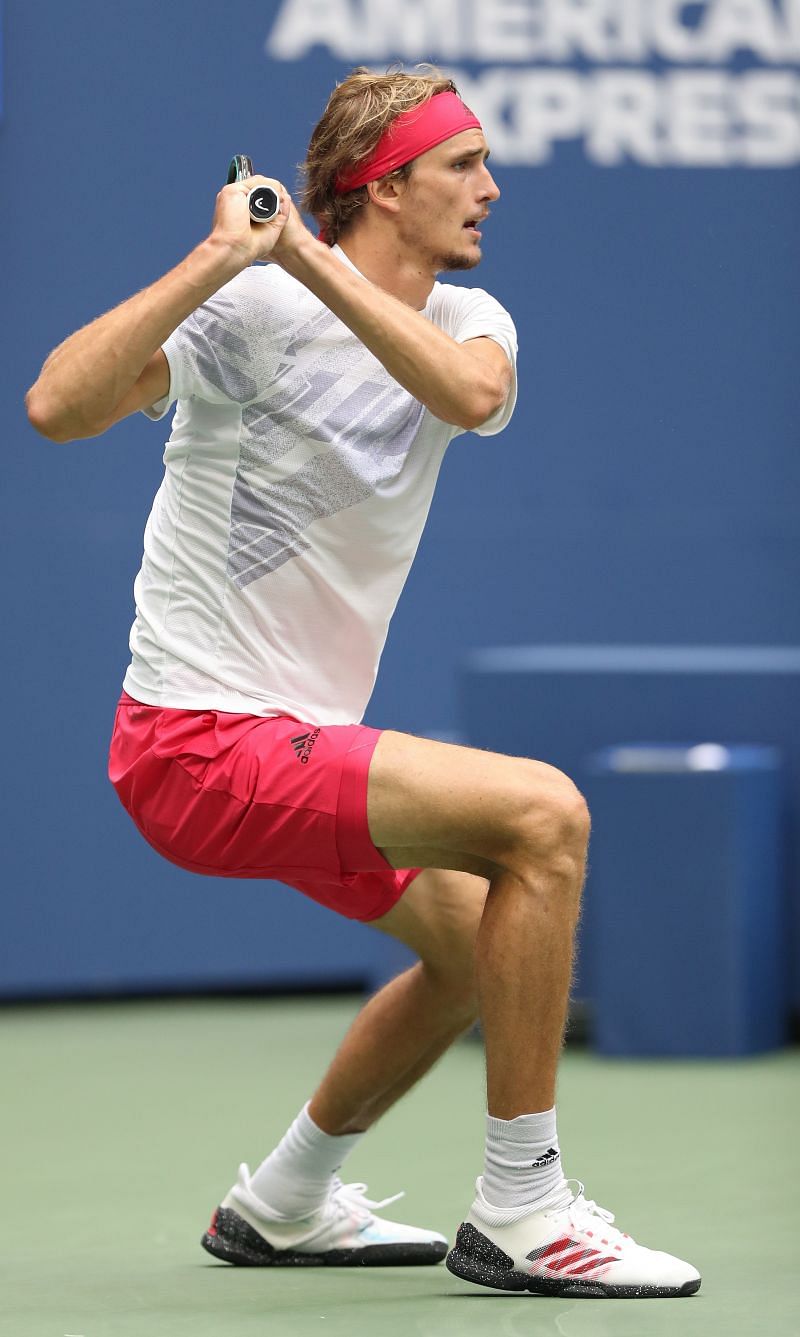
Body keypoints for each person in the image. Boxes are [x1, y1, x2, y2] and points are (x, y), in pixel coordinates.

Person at [26, 67, 700, 1299]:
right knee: (543, 815)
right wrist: (217, 261)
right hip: (197, 740)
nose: (489, 187)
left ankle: (278, 1201)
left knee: (460, 945)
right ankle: (525, 1206)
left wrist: (305, 262)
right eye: (462, 164)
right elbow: (56, 407)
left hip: (290, 742)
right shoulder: (241, 319)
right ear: (384, 188)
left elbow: (469, 397)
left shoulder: (473, 321)